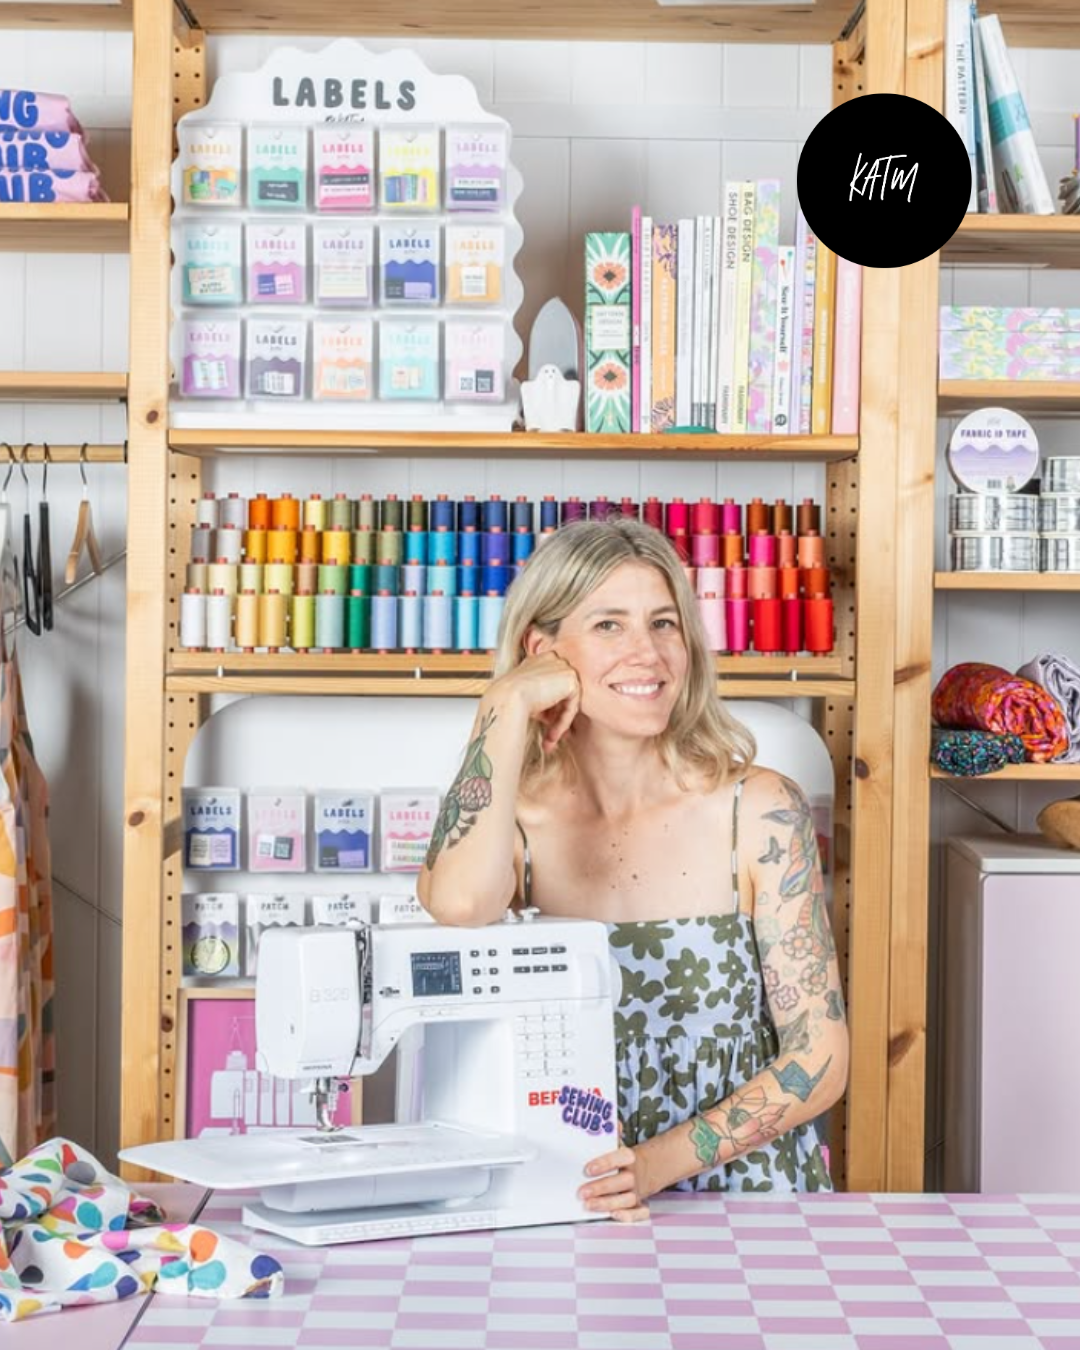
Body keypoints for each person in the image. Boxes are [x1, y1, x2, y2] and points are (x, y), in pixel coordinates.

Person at [418, 517, 848, 1220]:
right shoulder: (514, 821)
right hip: (571, 1189)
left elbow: (819, 1057)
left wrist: (653, 1165)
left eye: (664, 623)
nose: (647, 653)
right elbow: (460, 904)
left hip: (748, 1194)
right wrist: (503, 704)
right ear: (543, 652)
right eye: (609, 625)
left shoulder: (759, 808)